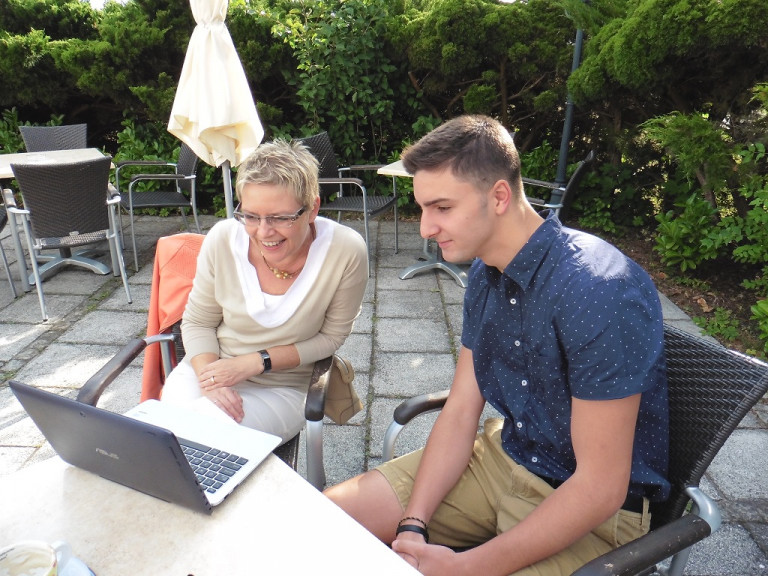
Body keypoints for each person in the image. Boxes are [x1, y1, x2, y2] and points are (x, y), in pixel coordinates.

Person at [324, 115, 669, 575]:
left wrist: (467, 568)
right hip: (503, 462)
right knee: (323, 522)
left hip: (592, 515)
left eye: (442, 208)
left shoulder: (596, 289)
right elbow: (463, 408)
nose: (425, 228)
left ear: (500, 196)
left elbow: (601, 487)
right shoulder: (486, 275)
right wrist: (412, 524)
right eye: (423, 208)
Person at [160, 139, 368, 444]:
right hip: (209, 367)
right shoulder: (222, 240)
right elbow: (198, 322)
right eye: (251, 215)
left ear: (312, 208)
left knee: (207, 436)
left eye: (280, 218)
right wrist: (212, 382)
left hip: (281, 387)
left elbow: (331, 338)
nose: (263, 231)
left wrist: (257, 361)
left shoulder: (345, 251)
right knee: (165, 434)